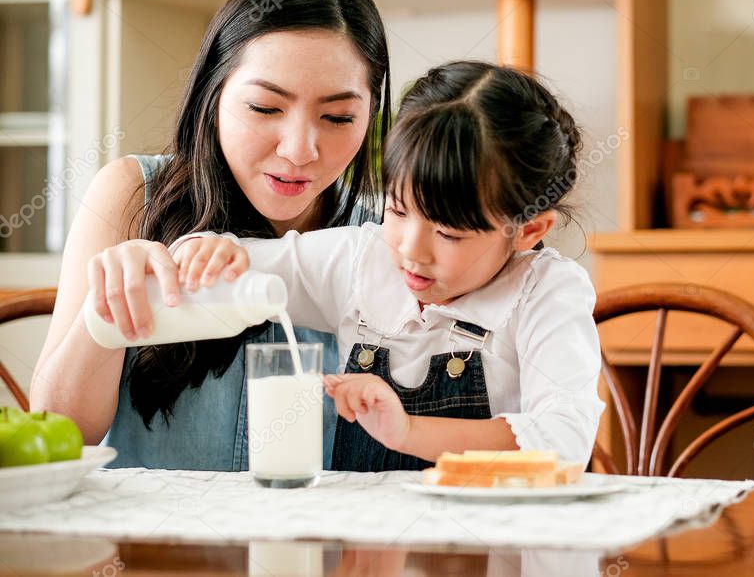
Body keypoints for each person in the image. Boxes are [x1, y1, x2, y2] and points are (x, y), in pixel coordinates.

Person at [30, 0, 392, 471]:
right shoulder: (136, 195)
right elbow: (58, 432)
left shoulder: (384, 233)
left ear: (371, 114)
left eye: (338, 118)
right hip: (151, 546)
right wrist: (104, 318)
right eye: (266, 108)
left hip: (321, 546)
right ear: (213, 94)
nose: (299, 150)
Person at [163, 61, 604, 470]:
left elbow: (564, 442)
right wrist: (207, 249)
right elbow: (238, 264)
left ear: (527, 230)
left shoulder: (544, 292)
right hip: (364, 545)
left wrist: (409, 431)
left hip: (490, 545)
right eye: (396, 210)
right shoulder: (362, 261)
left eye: (449, 234)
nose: (412, 249)